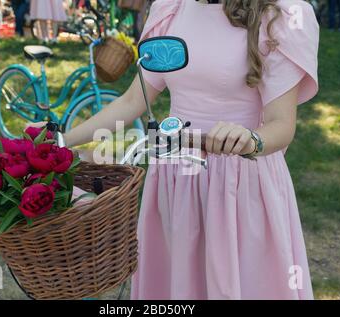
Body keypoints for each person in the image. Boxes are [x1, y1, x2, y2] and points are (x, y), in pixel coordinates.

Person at [59, 0, 319, 299]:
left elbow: (281, 125)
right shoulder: (169, 10)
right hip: (175, 180)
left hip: (238, 185)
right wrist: (64, 141)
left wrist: (249, 139)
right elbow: (133, 101)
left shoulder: (277, 16)